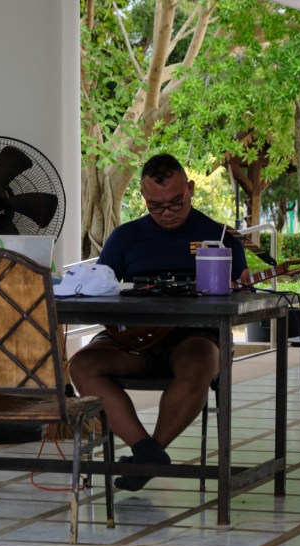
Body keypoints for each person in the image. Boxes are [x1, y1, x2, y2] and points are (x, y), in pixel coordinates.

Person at [68, 153, 250, 491]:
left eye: (175, 203)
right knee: (81, 366)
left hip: (190, 339)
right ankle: (146, 450)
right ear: (144, 198)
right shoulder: (125, 238)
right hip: (131, 342)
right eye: (156, 206)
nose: (166, 212)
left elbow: (242, 296)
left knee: (202, 361)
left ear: (191, 190)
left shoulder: (221, 237)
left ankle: (152, 452)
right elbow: (99, 288)